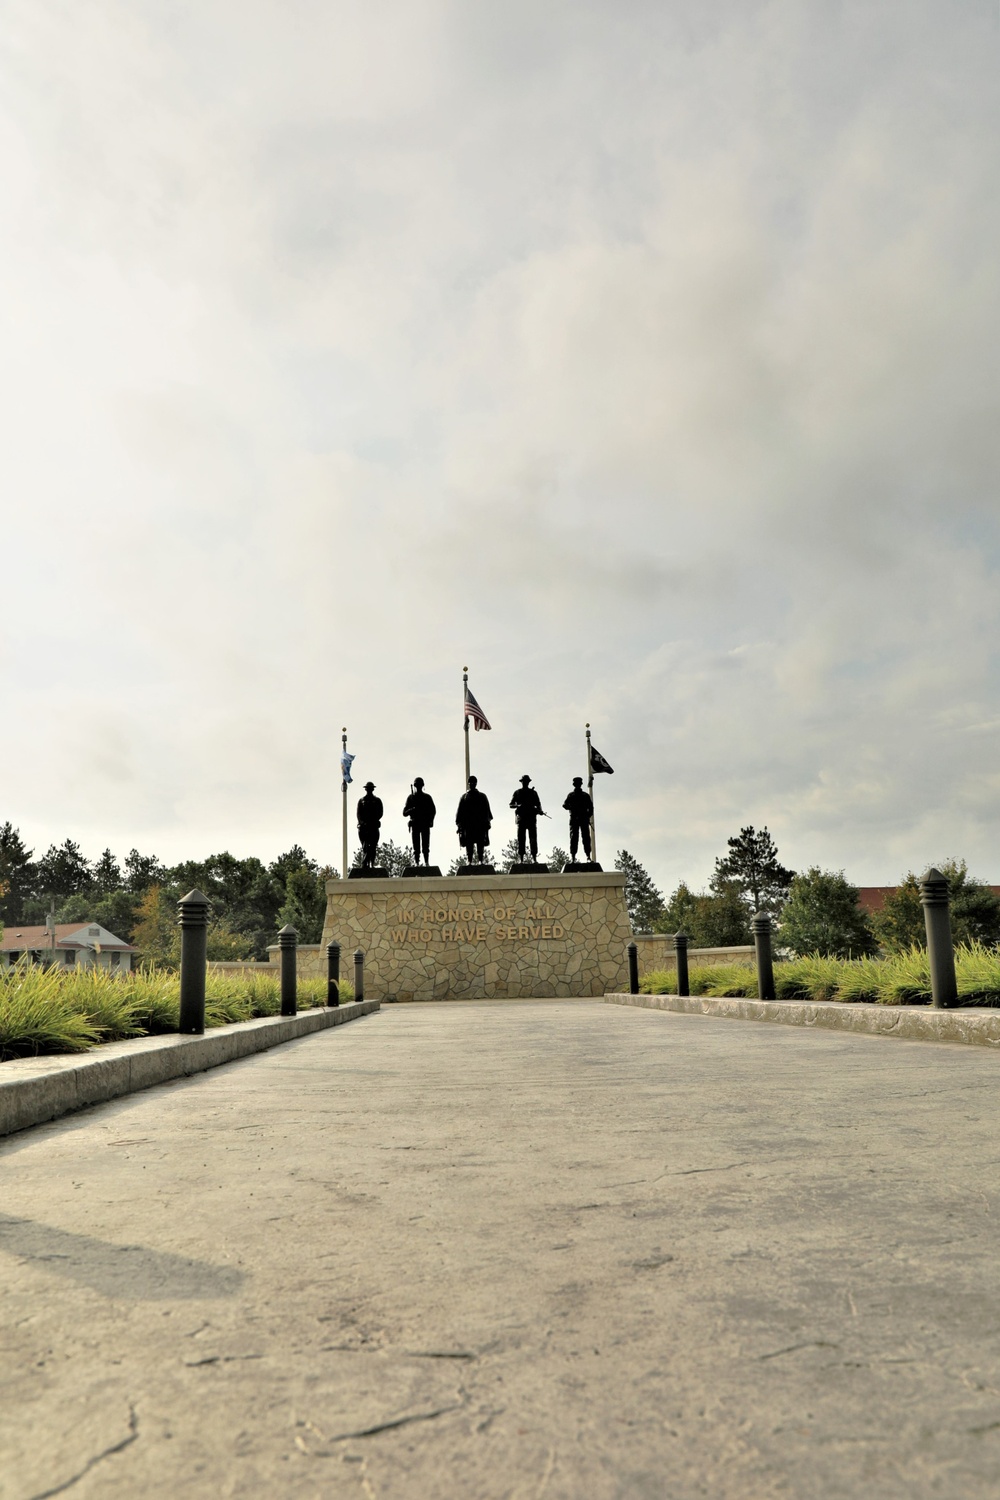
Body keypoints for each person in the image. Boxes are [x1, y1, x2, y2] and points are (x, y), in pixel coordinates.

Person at [456, 775, 493, 865]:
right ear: (468, 784)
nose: (472, 784)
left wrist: (487, 822)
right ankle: (469, 860)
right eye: (470, 782)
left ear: (476, 783)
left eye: (473, 782)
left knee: (480, 842)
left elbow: (487, 811)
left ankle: (480, 860)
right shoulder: (464, 797)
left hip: (479, 824)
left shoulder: (482, 796)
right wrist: (459, 825)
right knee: (469, 843)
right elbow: (459, 812)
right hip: (468, 825)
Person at [509, 774, 544, 863]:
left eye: (527, 782)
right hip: (521, 818)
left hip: (531, 818)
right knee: (521, 839)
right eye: (524, 782)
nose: (525, 783)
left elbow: (538, 804)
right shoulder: (517, 793)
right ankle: (521, 859)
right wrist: (518, 805)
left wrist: (540, 811)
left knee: (533, 838)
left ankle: (534, 858)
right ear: (522, 782)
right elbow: (511, 804)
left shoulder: (533, 793)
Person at [402, 777, 436, 866]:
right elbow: (404, 813)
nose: (418, 787)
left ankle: (426, 862)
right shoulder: (411, 798)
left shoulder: (427, 797)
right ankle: (417, 862)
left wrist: (430, 820)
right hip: (415, 824)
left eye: (420, 785)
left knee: (426, 845)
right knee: (416, 846)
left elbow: (433, 811)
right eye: (417, 786)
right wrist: (412, 810)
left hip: (424, 823)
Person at [562, 776, 594, 862]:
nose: (577, 785)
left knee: (586, 838)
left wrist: (587, 816)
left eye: (578, 784)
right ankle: (573, 857)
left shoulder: (585, 796)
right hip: (574, 819)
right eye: (576, 784)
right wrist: (571, 808)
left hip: (583, 819)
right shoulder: (571, 795)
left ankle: (588, 856)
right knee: (574, 838)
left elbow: (591, 808)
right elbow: (564, 805)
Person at [357, 782, 383, 870]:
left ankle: (372, 863)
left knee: (373, 846)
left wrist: (374, 820)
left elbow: (380, 813)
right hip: (364, 827)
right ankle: (365, 863)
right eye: (368, 788)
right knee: (365, 846)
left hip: (373, 826)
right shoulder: (361, 801)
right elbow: (358, 814)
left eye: (370, 788)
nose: (369, 790)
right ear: (366, 789)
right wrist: (362, 823)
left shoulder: (377, 800)